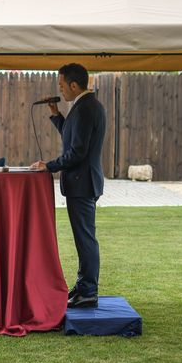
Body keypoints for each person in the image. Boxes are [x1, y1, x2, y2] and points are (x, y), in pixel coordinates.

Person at [30, 63, 106, 309]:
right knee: (84, 238)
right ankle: (83, 286)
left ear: (74, 85)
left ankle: (88, 292)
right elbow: (72, 137)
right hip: (82, 184)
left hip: (82, 184)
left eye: (62, 86)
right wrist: (55, 114)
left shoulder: (86, 109)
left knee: (85, 240)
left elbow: (78, 152)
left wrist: (48, 166)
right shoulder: (83, 106)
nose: (60, 90)